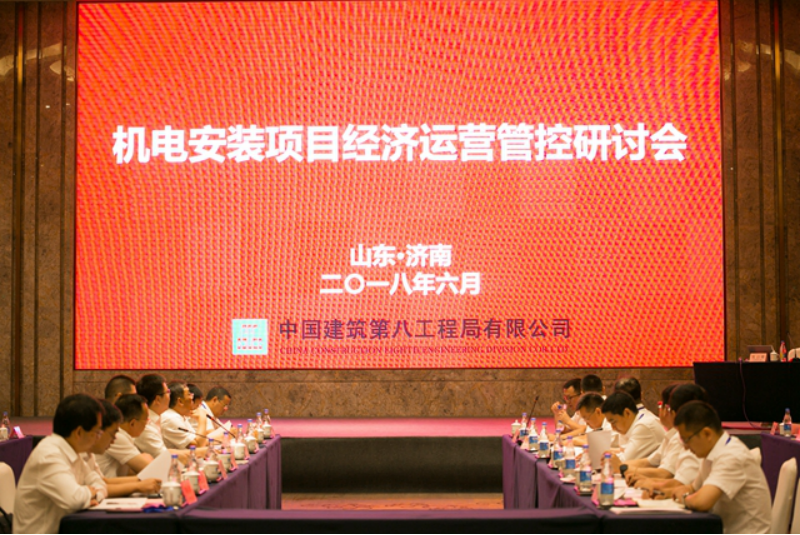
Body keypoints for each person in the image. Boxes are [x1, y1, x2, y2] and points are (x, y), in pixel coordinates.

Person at [662, 401, 771, 534]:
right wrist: (665, 492)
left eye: (686, 439)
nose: (685, 447)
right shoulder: (712, 453)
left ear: (707, 434)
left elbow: (702, 502)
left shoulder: (732, 456)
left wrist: (683, 497)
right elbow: (692, 488)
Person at [13, 395, 107, 534]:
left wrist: (94, 495)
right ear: (79, 432)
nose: (98, 438)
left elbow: (100, 484)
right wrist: (90, 493)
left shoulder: (74, 451)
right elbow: (74, 499)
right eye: (97, 432)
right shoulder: (49, 455)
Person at [632, 384, 708, 492]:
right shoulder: (682, 436)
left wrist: (656, 486)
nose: (685, 447)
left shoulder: (725, 454)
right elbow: (688, 486)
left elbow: (670, 477)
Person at [84, 400, 162, 498]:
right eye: (112, 434)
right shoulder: (68, 453)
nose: (113, 440)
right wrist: (138, 485)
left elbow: (103, 482)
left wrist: (142, 482)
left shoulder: (88, 454)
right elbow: (78, 497)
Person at [602, 391, 665, 470]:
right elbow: (623, 452)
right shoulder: (632, 423)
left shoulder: (644, 426)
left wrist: (605, 457)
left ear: (627, 413)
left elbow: (622, 462)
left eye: (614, 422)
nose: (613, 428)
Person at [96, 394, 154, 478]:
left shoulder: (122, 435)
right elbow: (149, 469)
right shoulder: (118, 437)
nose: (113, 439)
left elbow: (132, 471)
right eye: (146, 419)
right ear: (132, 423)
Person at [161, 382, 208, 449]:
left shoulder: (179, 416)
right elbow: (198, 445)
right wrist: (202, 418)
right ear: (180, 401)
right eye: (189, 394)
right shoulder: (171, 418)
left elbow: (201, 441)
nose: (192, 398)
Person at [133, 374, 171, 458]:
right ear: (157, 399)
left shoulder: (157, 418)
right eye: (168, 392)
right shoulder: (144, 425)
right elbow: (164, 457)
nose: (170, 395)